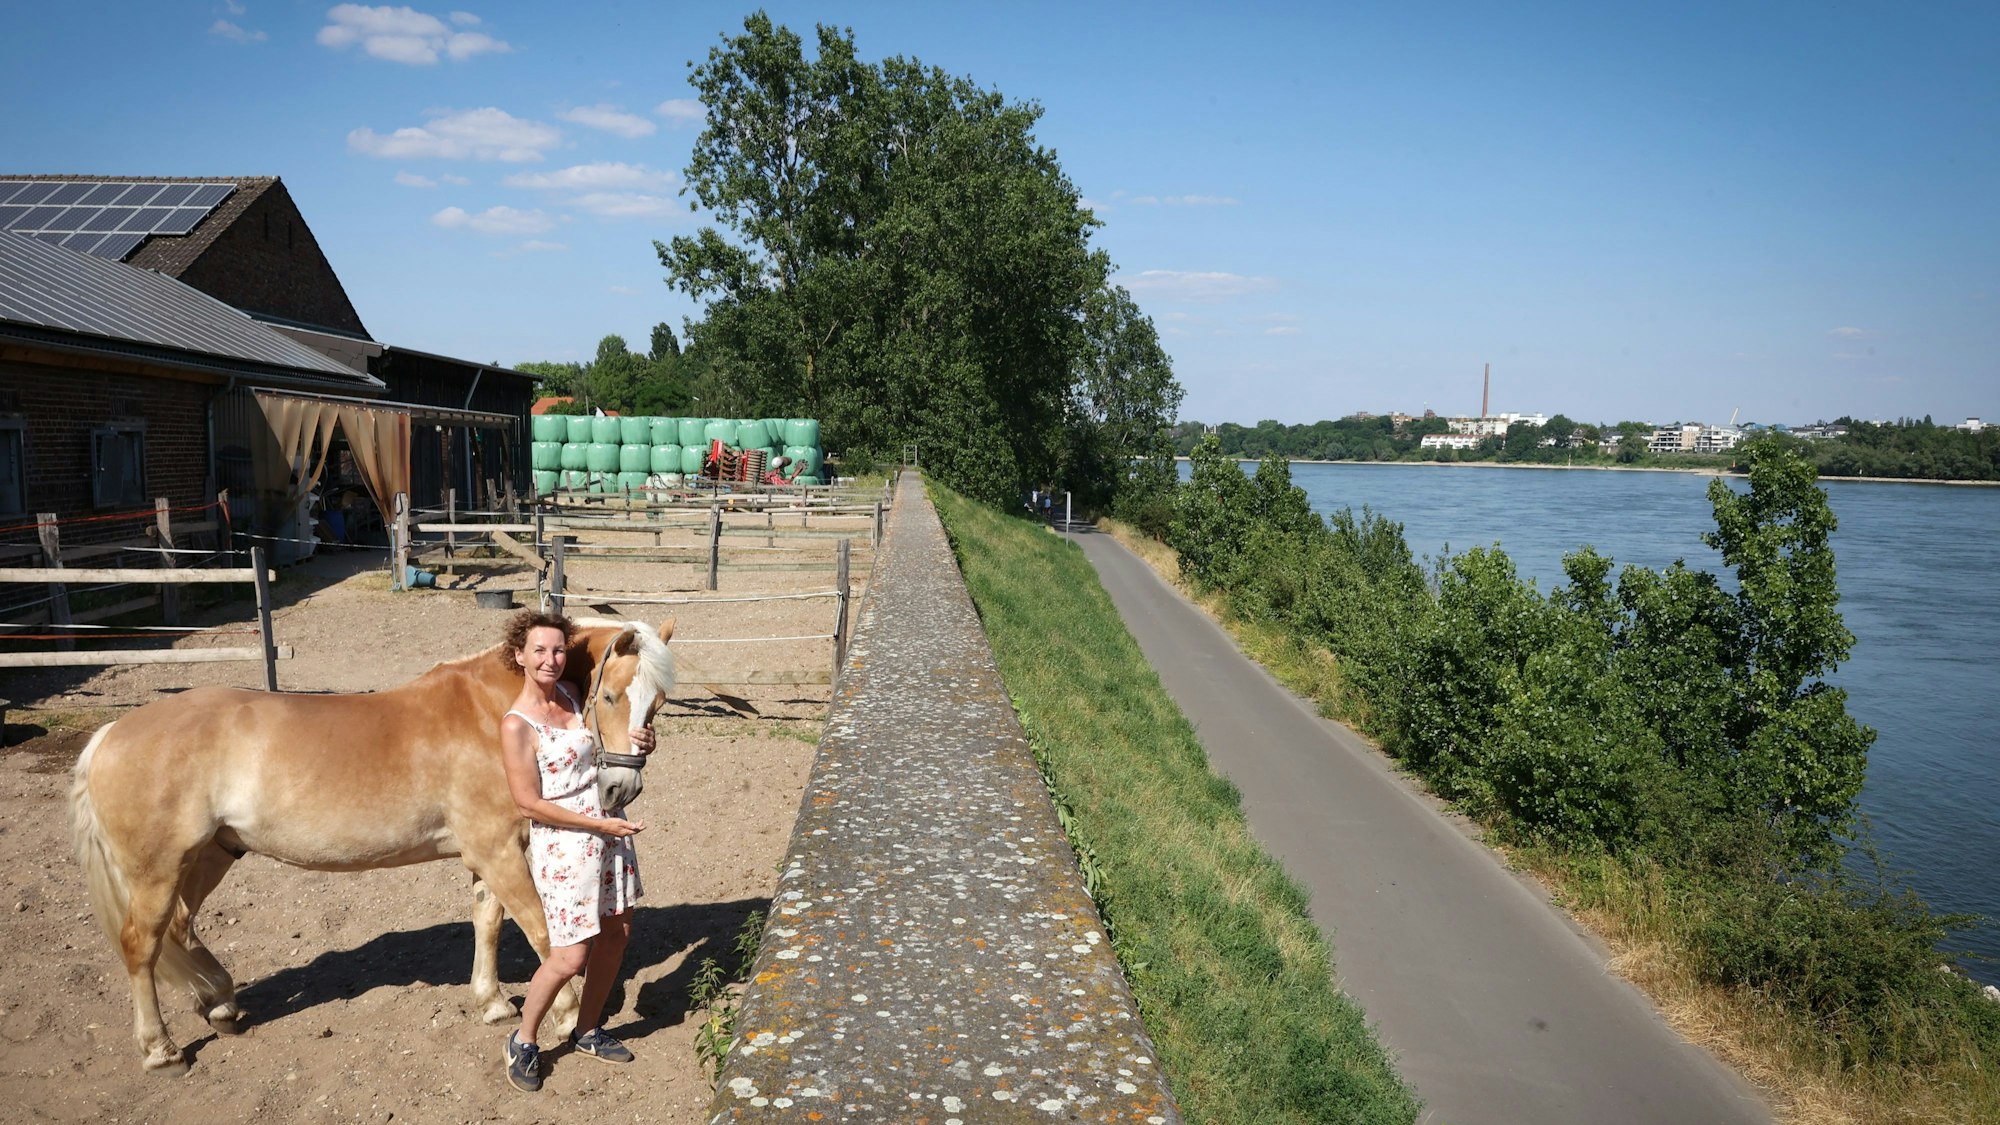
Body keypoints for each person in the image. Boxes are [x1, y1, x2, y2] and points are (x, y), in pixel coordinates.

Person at [496, 611, 657, 1093]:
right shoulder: (516, 725)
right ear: (519, 656)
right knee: (569, 955)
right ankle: (523, 1040)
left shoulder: (574, 694)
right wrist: (596, 824)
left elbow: (614, 738)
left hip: (610, 830)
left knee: (617, 933)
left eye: (558, 650)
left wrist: (644, 740)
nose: (551, 659)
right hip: (566, 844)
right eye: (539, 650)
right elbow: (529, 803)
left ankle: (587, 1029)